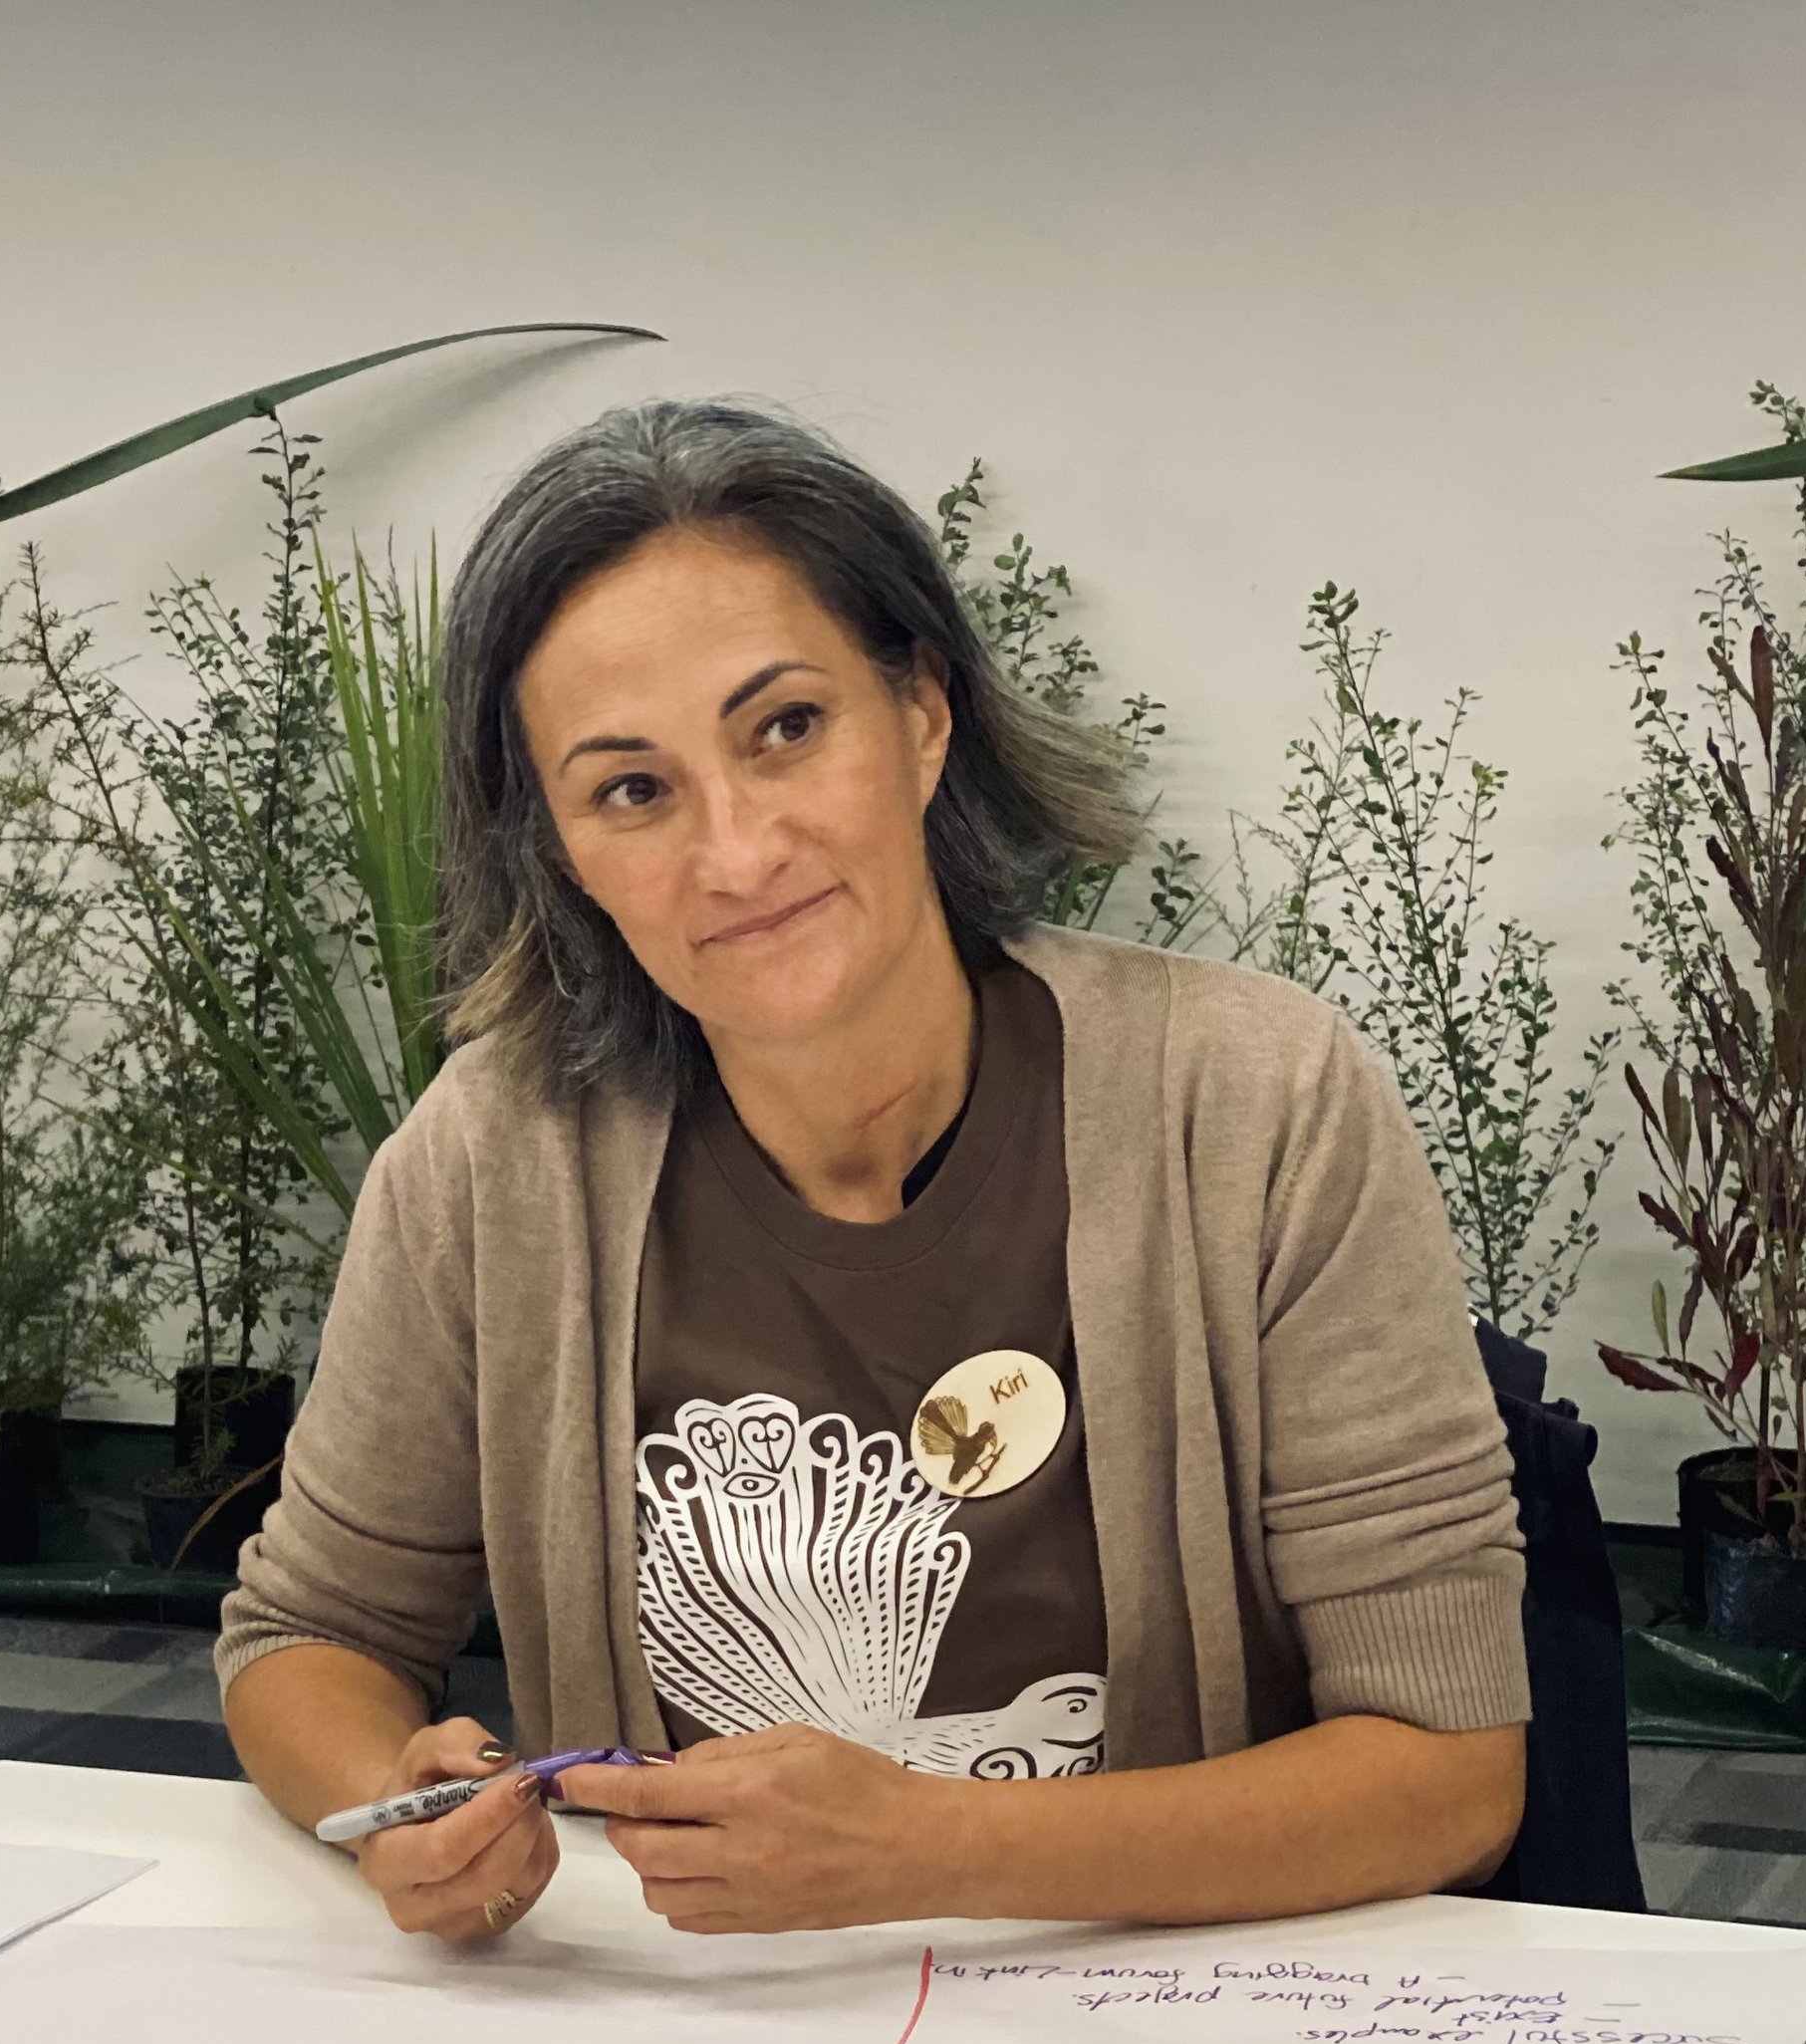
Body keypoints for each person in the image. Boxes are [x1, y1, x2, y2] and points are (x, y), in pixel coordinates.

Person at [219, 400, 1529, 1942]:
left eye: (786, 728)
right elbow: (307, 1631)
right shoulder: (490, 1162)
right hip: (697, 2036)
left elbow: (1451, 1770)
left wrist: (937, 1850)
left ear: (922, 714)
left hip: (1160, 2027)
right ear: (562, 851)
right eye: (632, 789)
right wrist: (393, 1800)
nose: (737, 853)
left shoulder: (1258, 1106)